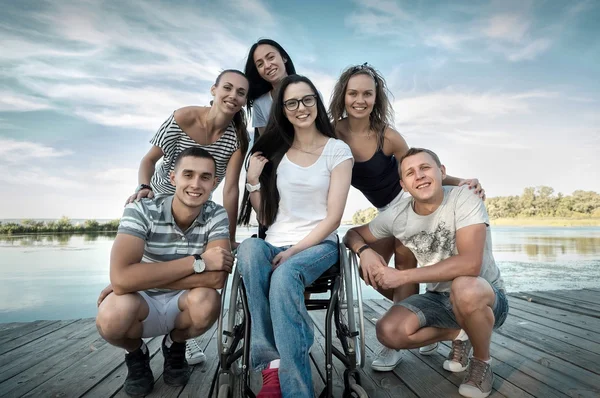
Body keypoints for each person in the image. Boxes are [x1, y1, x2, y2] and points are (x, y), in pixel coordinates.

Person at [329, 63, 485, 371]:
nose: (360, 100)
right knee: (370, 270)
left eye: (368, 94)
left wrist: (464, 181)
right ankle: (424, 317)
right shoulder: (332, 133)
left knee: (403, 265)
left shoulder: (389, 137)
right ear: (343, 96)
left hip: (405, 203)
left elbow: (417, 172)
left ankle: (393, 345)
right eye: (353, 93)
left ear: (376, 98)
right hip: (384, 212)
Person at [344, 148, 508, 398]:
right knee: (388, 331)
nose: (418, 176)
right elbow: (352, 233)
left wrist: (402, 276)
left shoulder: (464, 198)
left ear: (442, 172)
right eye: (410, 172)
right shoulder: (398, 214)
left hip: (485, 296)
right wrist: (364, 251)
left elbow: (470, 265)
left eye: (425, 168)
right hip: (439, 299)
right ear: (404, 185)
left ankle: (481, 362)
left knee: (465, 286)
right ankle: (461, 333)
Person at [236, 75, 353, 398]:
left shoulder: (337, 151)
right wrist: (253, 182)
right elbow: (267, 217)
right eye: (291, 102)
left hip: (318, 245)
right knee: (248, 250)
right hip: (276, 239)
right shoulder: (278, 152)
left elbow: (333, 218)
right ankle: (272, 365)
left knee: (285, 274)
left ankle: (295, 388)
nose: (300, 108)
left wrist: (294, 251)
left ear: (316, 102)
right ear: (282, 110)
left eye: (307, 99)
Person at [125, 69, 249, 364]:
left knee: (197, 271)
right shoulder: (182, 117)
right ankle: (130, 302)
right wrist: (143, 188)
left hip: (196, 209)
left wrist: (228, 237)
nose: (233, 96)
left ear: (244, 101)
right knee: (152, 266)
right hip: (159, 201)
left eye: (241, 93)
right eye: (227, 88)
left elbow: (230, 189)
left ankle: (179, 335)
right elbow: (149, 159)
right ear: (213, 90)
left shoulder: (236, 139)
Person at [96, 148, 234, 397]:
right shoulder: (142, 209)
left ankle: (175, 344)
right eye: (188, 175)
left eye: (205, 177)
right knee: (111, 317)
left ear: (214, 183)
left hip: (181, 301)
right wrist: (197, 260)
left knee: (207, 301)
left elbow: (216, 278)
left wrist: (137, 279)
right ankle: (136, 353)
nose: (195, 184)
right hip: (142, 301)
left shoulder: (216, 214)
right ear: (173, 179)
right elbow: (120, 279)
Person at [244, 38, 296, 136]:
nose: (267, 65)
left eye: (271, 57)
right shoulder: (260, 104)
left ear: (284, 57)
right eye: (260, 64)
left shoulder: (311, 93)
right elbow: (266, 144)